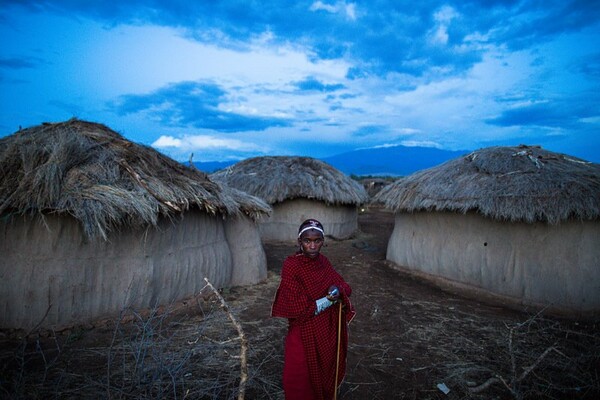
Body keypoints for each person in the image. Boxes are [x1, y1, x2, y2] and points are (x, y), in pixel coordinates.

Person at [271, 219, 356, 400]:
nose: (312, 245)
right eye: (307, 241)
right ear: (299, 242)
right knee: (298, 376)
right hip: (302, 331)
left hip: (325, 329)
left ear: (322, 242)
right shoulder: (292, 265)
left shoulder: (323, 262)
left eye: (317, 241)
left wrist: (338, 289)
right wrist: (329, 300)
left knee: (324, 369)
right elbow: (299, 307)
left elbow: (345, 286)